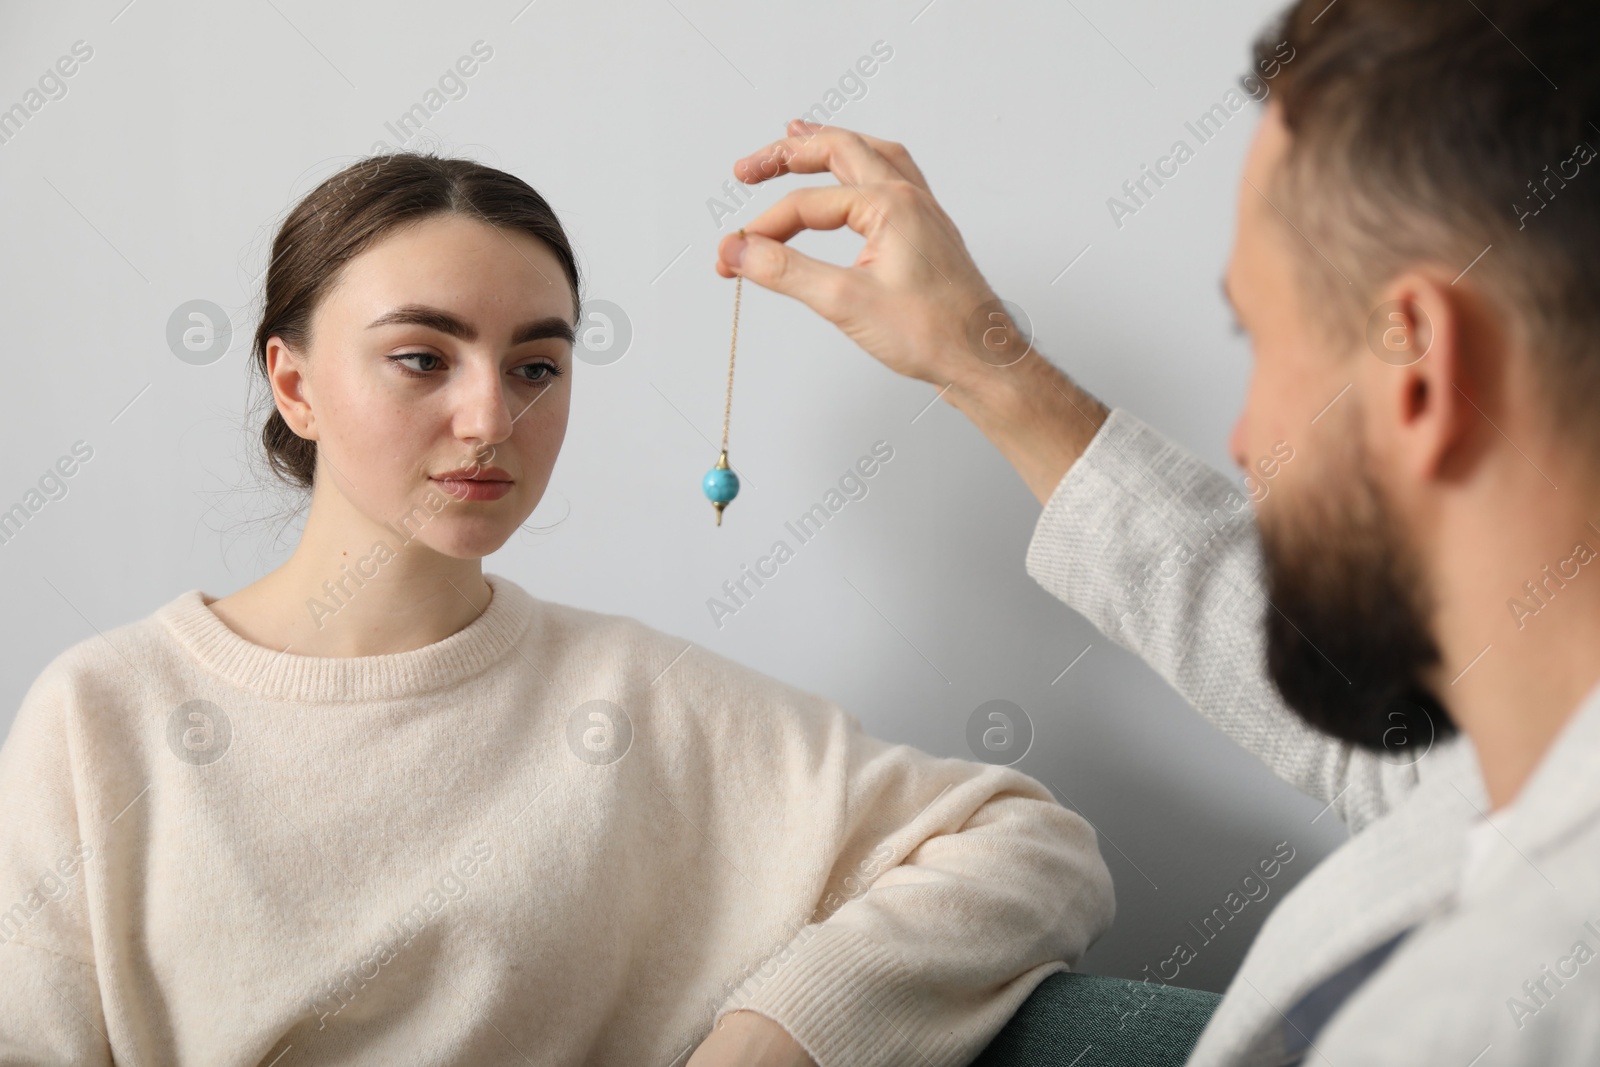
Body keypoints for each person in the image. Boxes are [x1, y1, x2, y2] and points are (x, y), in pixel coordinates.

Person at [0, 154, 1117, 1065]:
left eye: (536, 366)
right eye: (420, 357)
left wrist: (780, 1031)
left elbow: (1035, 850)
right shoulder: (106, 712)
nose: (490, 417)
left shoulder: (640, 703)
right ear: (293, 385)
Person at [714, 0, 1600, 1062]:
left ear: (1420, 377)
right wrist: (984, 365)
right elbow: (1416, 757)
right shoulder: (1529, 762)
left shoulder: (1486, 1013)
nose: (1239, 435)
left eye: (1258, 336)